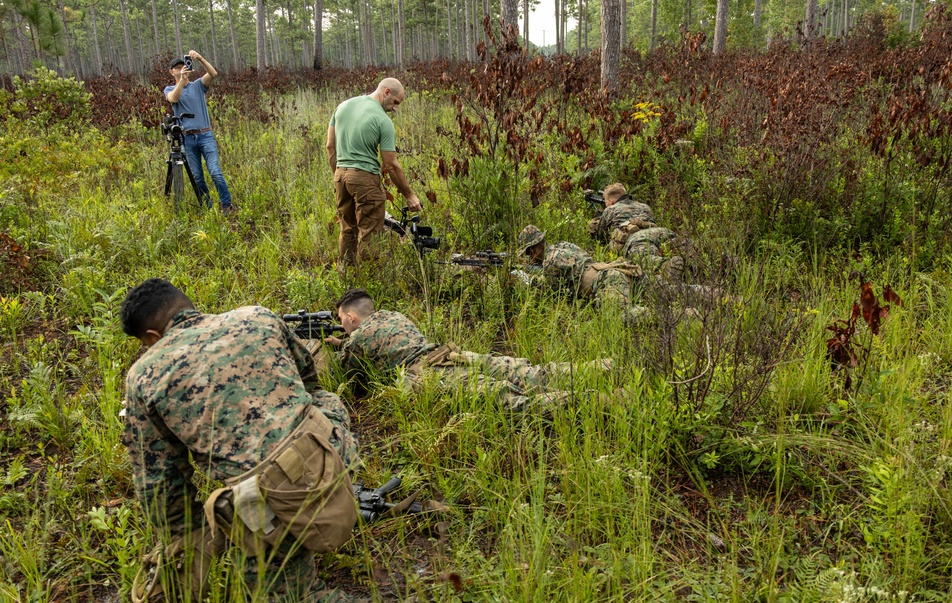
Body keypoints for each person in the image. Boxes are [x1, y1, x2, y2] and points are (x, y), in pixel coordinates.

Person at [120, 279, 361, 603]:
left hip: (267, 503)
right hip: (331, 454)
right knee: (325, 401)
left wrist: (189, 539)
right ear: (187, 305)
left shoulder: (143, 376)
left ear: (151, 337)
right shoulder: (256, 315)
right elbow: (308, 379)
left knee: (282, 594)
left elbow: (160, 484)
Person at [324, 289, 611, 410]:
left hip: (429, 373)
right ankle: (603, 367)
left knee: (508, 401)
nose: (342, 325)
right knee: (530, 373)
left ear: (350, 317)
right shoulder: (393, 315)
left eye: (341, 320)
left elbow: (353, 378)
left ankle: (597, 401)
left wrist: (339, 348)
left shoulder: (359, 337)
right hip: (448, 354)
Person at [327, 78, 422, 265]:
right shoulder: (382, 121)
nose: (395, 108)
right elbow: (391, 164)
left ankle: (347, 274)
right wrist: (409, 195)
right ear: (386, 92)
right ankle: (368, 282)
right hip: (364, 179)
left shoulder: (343, 106)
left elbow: (330, 146)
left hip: (340, 175)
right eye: (395, 102)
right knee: (370, 232)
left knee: (347, 228)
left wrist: (339, 175)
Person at [518, 225, 646, 318]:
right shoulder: (564, 245)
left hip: (606, 282)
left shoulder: (550, 262)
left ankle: (656, 315)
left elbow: (551, 292)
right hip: (611, 273)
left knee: (619, 317)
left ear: (533, 251)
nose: (529, 259)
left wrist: (526, 278)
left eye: (528, 254)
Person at [164, 51, 235, 214]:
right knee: (197, 178)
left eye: (184, 67)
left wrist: (200, 58)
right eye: (177, 68)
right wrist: (181, 81)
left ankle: (226, 205)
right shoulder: (169, 89)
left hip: (205, 135)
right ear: (172, 72)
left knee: (215, 171)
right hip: (187, 139)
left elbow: (213, 73)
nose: (181, 70)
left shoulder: (197, 85)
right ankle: (208, 208)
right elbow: (173, 99)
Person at [587, 183, 682, 279]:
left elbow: (600, 237)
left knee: (642, 258)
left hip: (638, 238)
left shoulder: (610, 209)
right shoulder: (644, 206)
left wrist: (598, 217)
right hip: (662, 231)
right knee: (683, 250)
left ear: (611, 201)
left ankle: (665, 266)